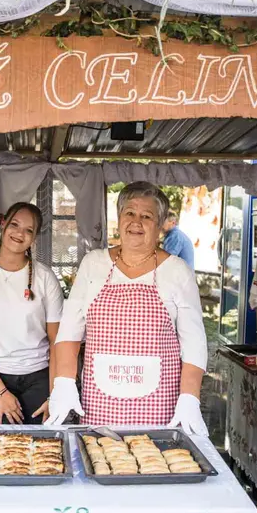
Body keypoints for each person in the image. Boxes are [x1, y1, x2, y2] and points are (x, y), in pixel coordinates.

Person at [44, 182, 209, 435]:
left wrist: (190, 397)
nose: (136, 222)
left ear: (160, 225)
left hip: (158, 406)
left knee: (154, 458)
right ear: (119, 218)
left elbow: (194, 342)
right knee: (97, 456)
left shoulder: (178, 271)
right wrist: (64, 382)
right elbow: (69, 330)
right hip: (99, 404)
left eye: (147, 216)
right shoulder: (93, 264)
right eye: (129, 213)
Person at [0, 202, 64, 425]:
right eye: (15, 224)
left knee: (43, 444)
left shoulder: (45, 278)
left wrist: (54, 394)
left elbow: (57, 341)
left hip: (40, 378)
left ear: (34, 238)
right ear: (3, 224)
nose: (19, 233)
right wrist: (0, 393)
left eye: (28, 230)